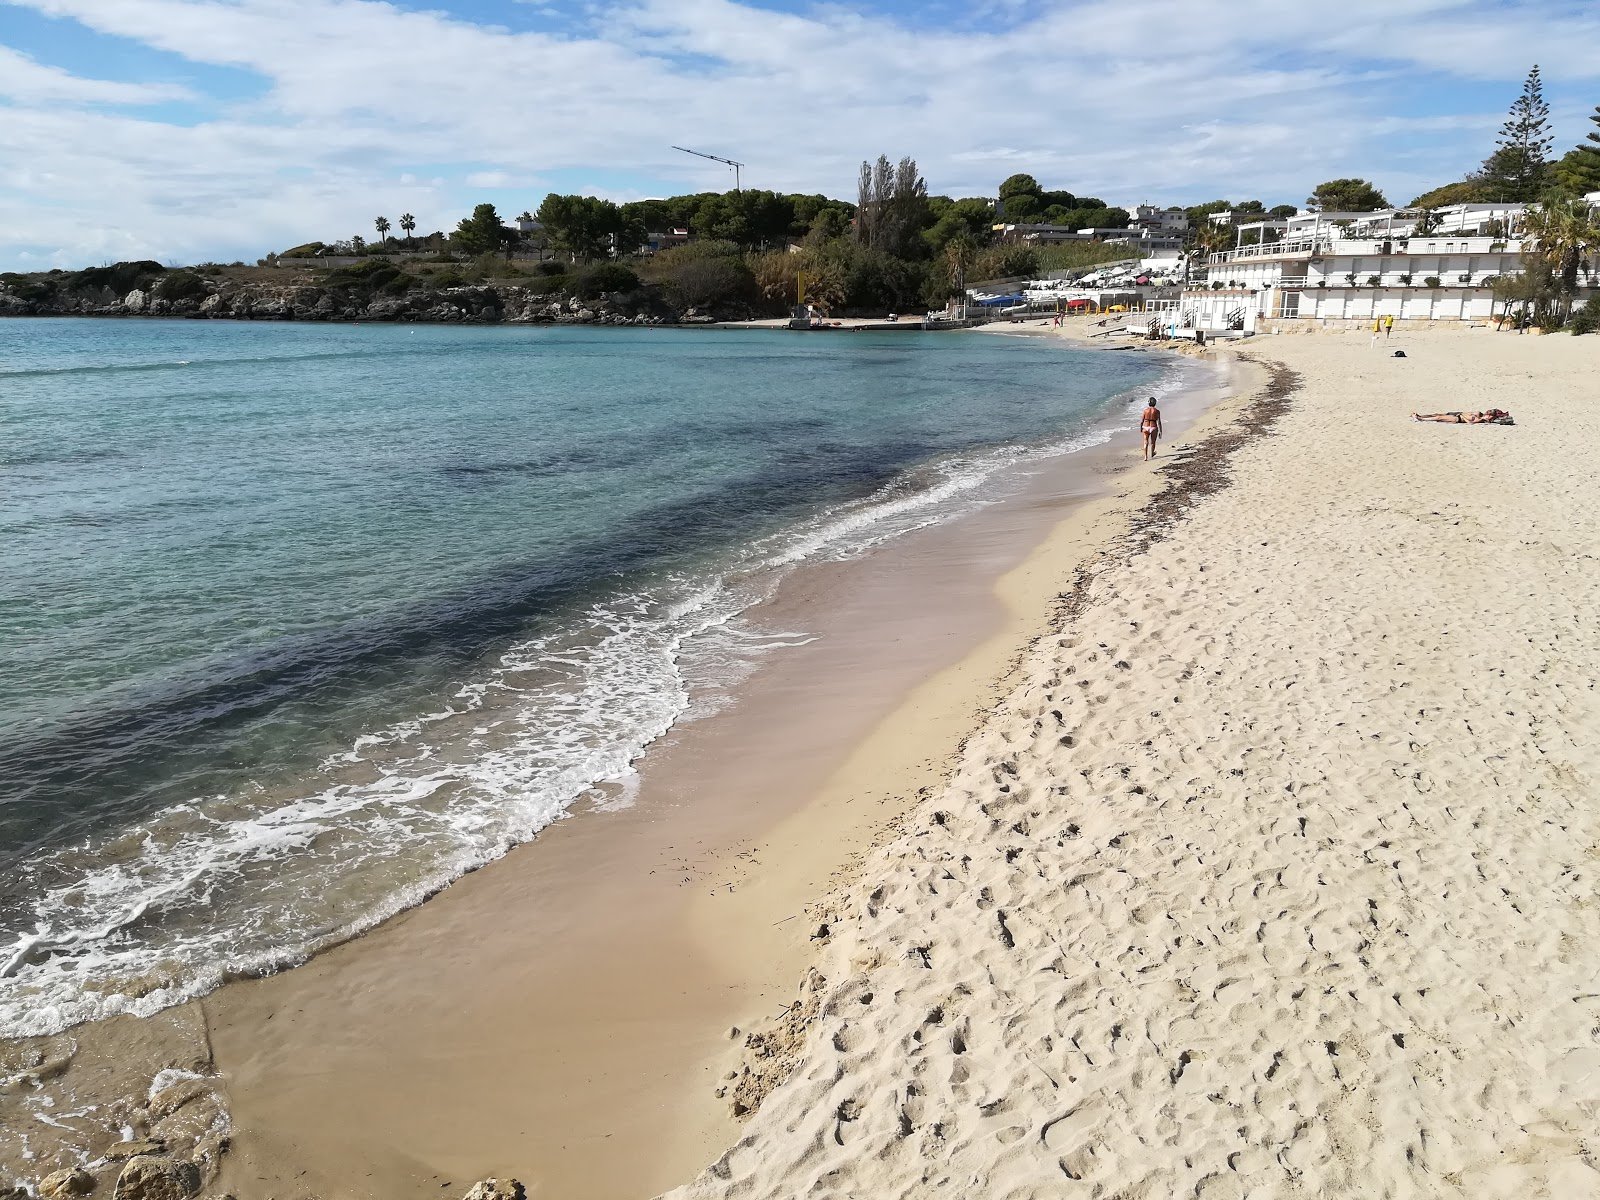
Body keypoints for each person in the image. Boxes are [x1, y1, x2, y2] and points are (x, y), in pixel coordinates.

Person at [1411, 409, 1513, 424]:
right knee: (1438, 415)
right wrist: (1468, 419)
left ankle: (1420, 418)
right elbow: (1465, 415)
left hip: (1458, 418)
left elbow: (1468, 420)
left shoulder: (1482, 420)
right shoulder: (1479, 414)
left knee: (1439, 417)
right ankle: (1420, 416)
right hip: (1459, 416)